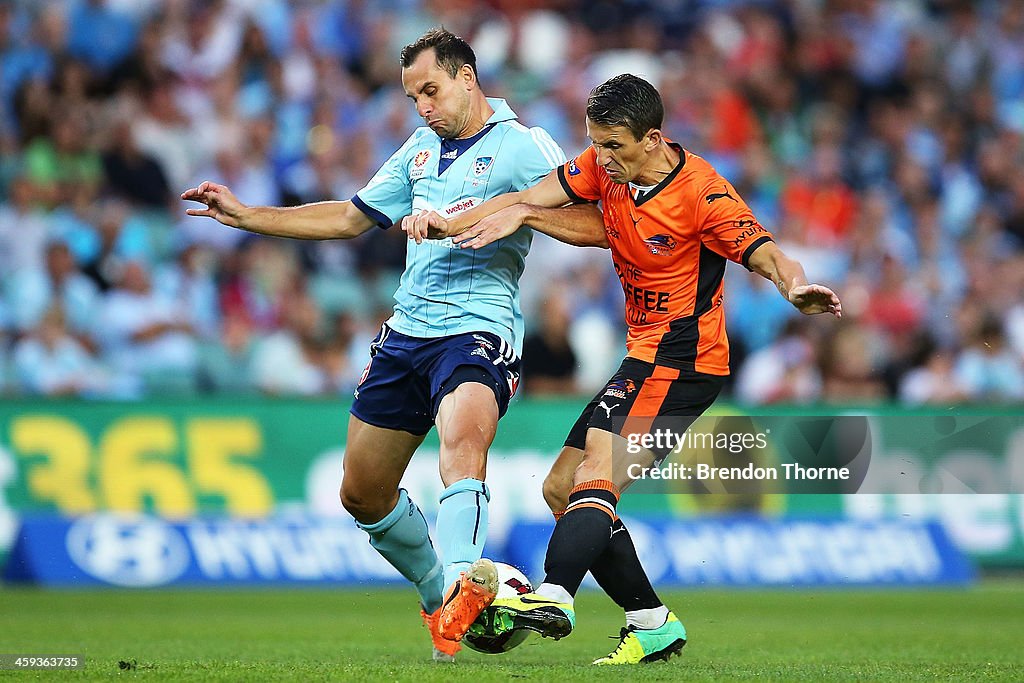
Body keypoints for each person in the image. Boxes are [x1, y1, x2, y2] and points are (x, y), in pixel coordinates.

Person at [181, 28, 599, 662]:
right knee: (362, 493)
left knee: (464, 435)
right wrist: (249, 216)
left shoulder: (523, 146)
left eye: (431, 90)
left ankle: (465, 580)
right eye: (413, 97)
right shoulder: (420, 151)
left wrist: (517, 211)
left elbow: (593, 221)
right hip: (406, 335)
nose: (423, 106)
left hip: (478, 327)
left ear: (467, 78)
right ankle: (441, 598)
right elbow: (351, 216)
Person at [404, 74, 842, 665]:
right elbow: (537, 199)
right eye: (596, 144)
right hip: (642, 358)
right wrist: (453, 223)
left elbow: (765, 252)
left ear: (654, 138)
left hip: (685, 366)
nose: (601, 160)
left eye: (613, 146)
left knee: (596, 482)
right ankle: (651, 622)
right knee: (562, 487)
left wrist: (795, 288)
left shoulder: (704, 195)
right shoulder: (605, 167)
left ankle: (554, 593)